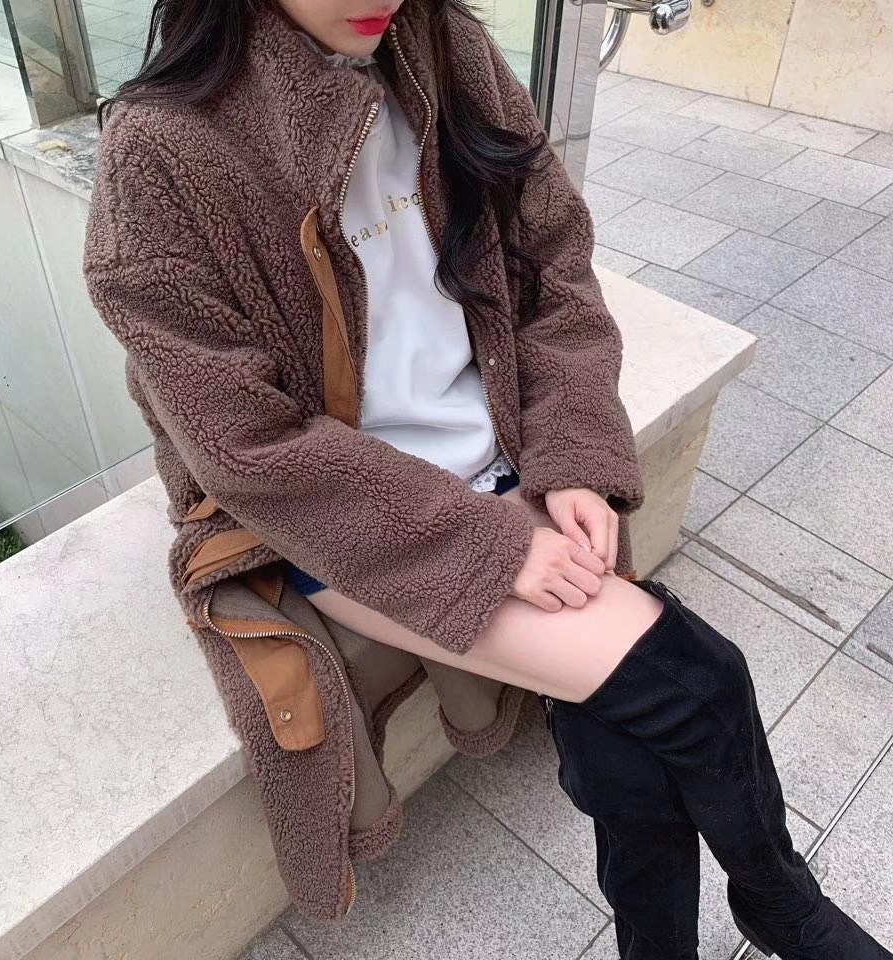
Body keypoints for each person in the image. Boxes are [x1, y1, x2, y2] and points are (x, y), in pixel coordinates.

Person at [83, 1, 892, 957]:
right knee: (699, 686)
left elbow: (554, 263)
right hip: (349, 521)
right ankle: (780, 905)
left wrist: (574, 456)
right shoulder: (160, 153)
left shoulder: (443, 46)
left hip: (510, 453)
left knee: (630, 746)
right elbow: (246, 448)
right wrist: (493, 544)